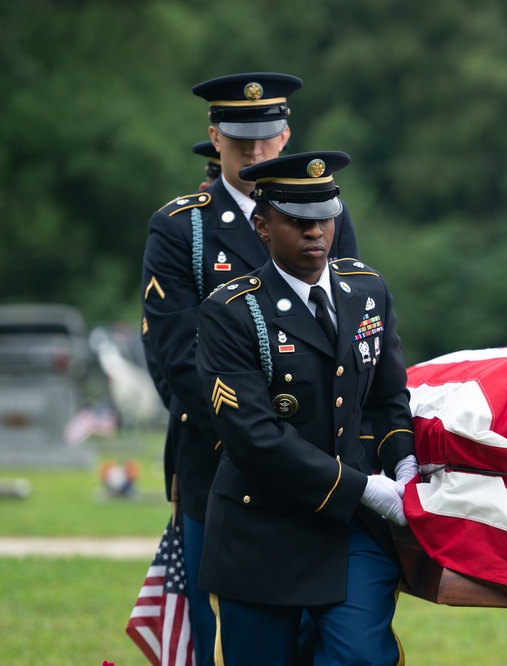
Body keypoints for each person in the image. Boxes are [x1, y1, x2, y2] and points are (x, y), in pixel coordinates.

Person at [140, 72, 360, 666]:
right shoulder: (181, 227)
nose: (254, 150)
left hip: (320, 461)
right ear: (215, 138)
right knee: (240, 631)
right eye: (240, 139)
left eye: (265, 137)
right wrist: (256, 437)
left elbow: (345, 332)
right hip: (220, 457)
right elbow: (177, 356)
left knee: (324, 627)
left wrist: (310, 451)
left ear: (285, 135)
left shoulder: (324, 211)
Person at [194, 150, 416, 665]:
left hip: (350, 531)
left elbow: (387, 396)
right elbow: (254, 436)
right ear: (263, 225)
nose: (316, 232)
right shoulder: (231, 310)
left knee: (361, 656)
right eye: (298, 220)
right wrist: (367, 488)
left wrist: (402, 458)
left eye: (325, 218)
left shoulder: (367, 290)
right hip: (263, 531)